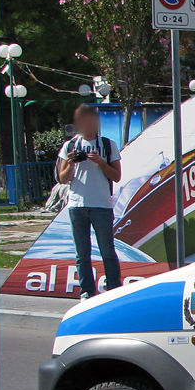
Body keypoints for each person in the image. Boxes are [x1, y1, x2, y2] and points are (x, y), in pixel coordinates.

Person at [57, 105, 122, 298]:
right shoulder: (70, 146)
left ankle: (114, 290)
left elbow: (117, 176)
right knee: (82, 254)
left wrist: (101, 162)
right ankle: (86, 291)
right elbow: (62, 179)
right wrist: (70, 163)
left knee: (107, 251)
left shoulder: (108, 145)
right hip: (77, 205)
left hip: (101, 205)